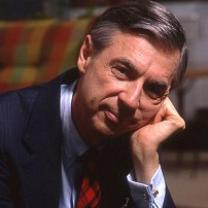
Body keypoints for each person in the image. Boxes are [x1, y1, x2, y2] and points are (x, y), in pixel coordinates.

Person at [0, 1, 188, 208]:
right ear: (86, 55)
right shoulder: (6, 127)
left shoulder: (135, 141)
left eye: (153, 89)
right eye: (122, 71)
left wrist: (146, 159)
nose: (131, 101)